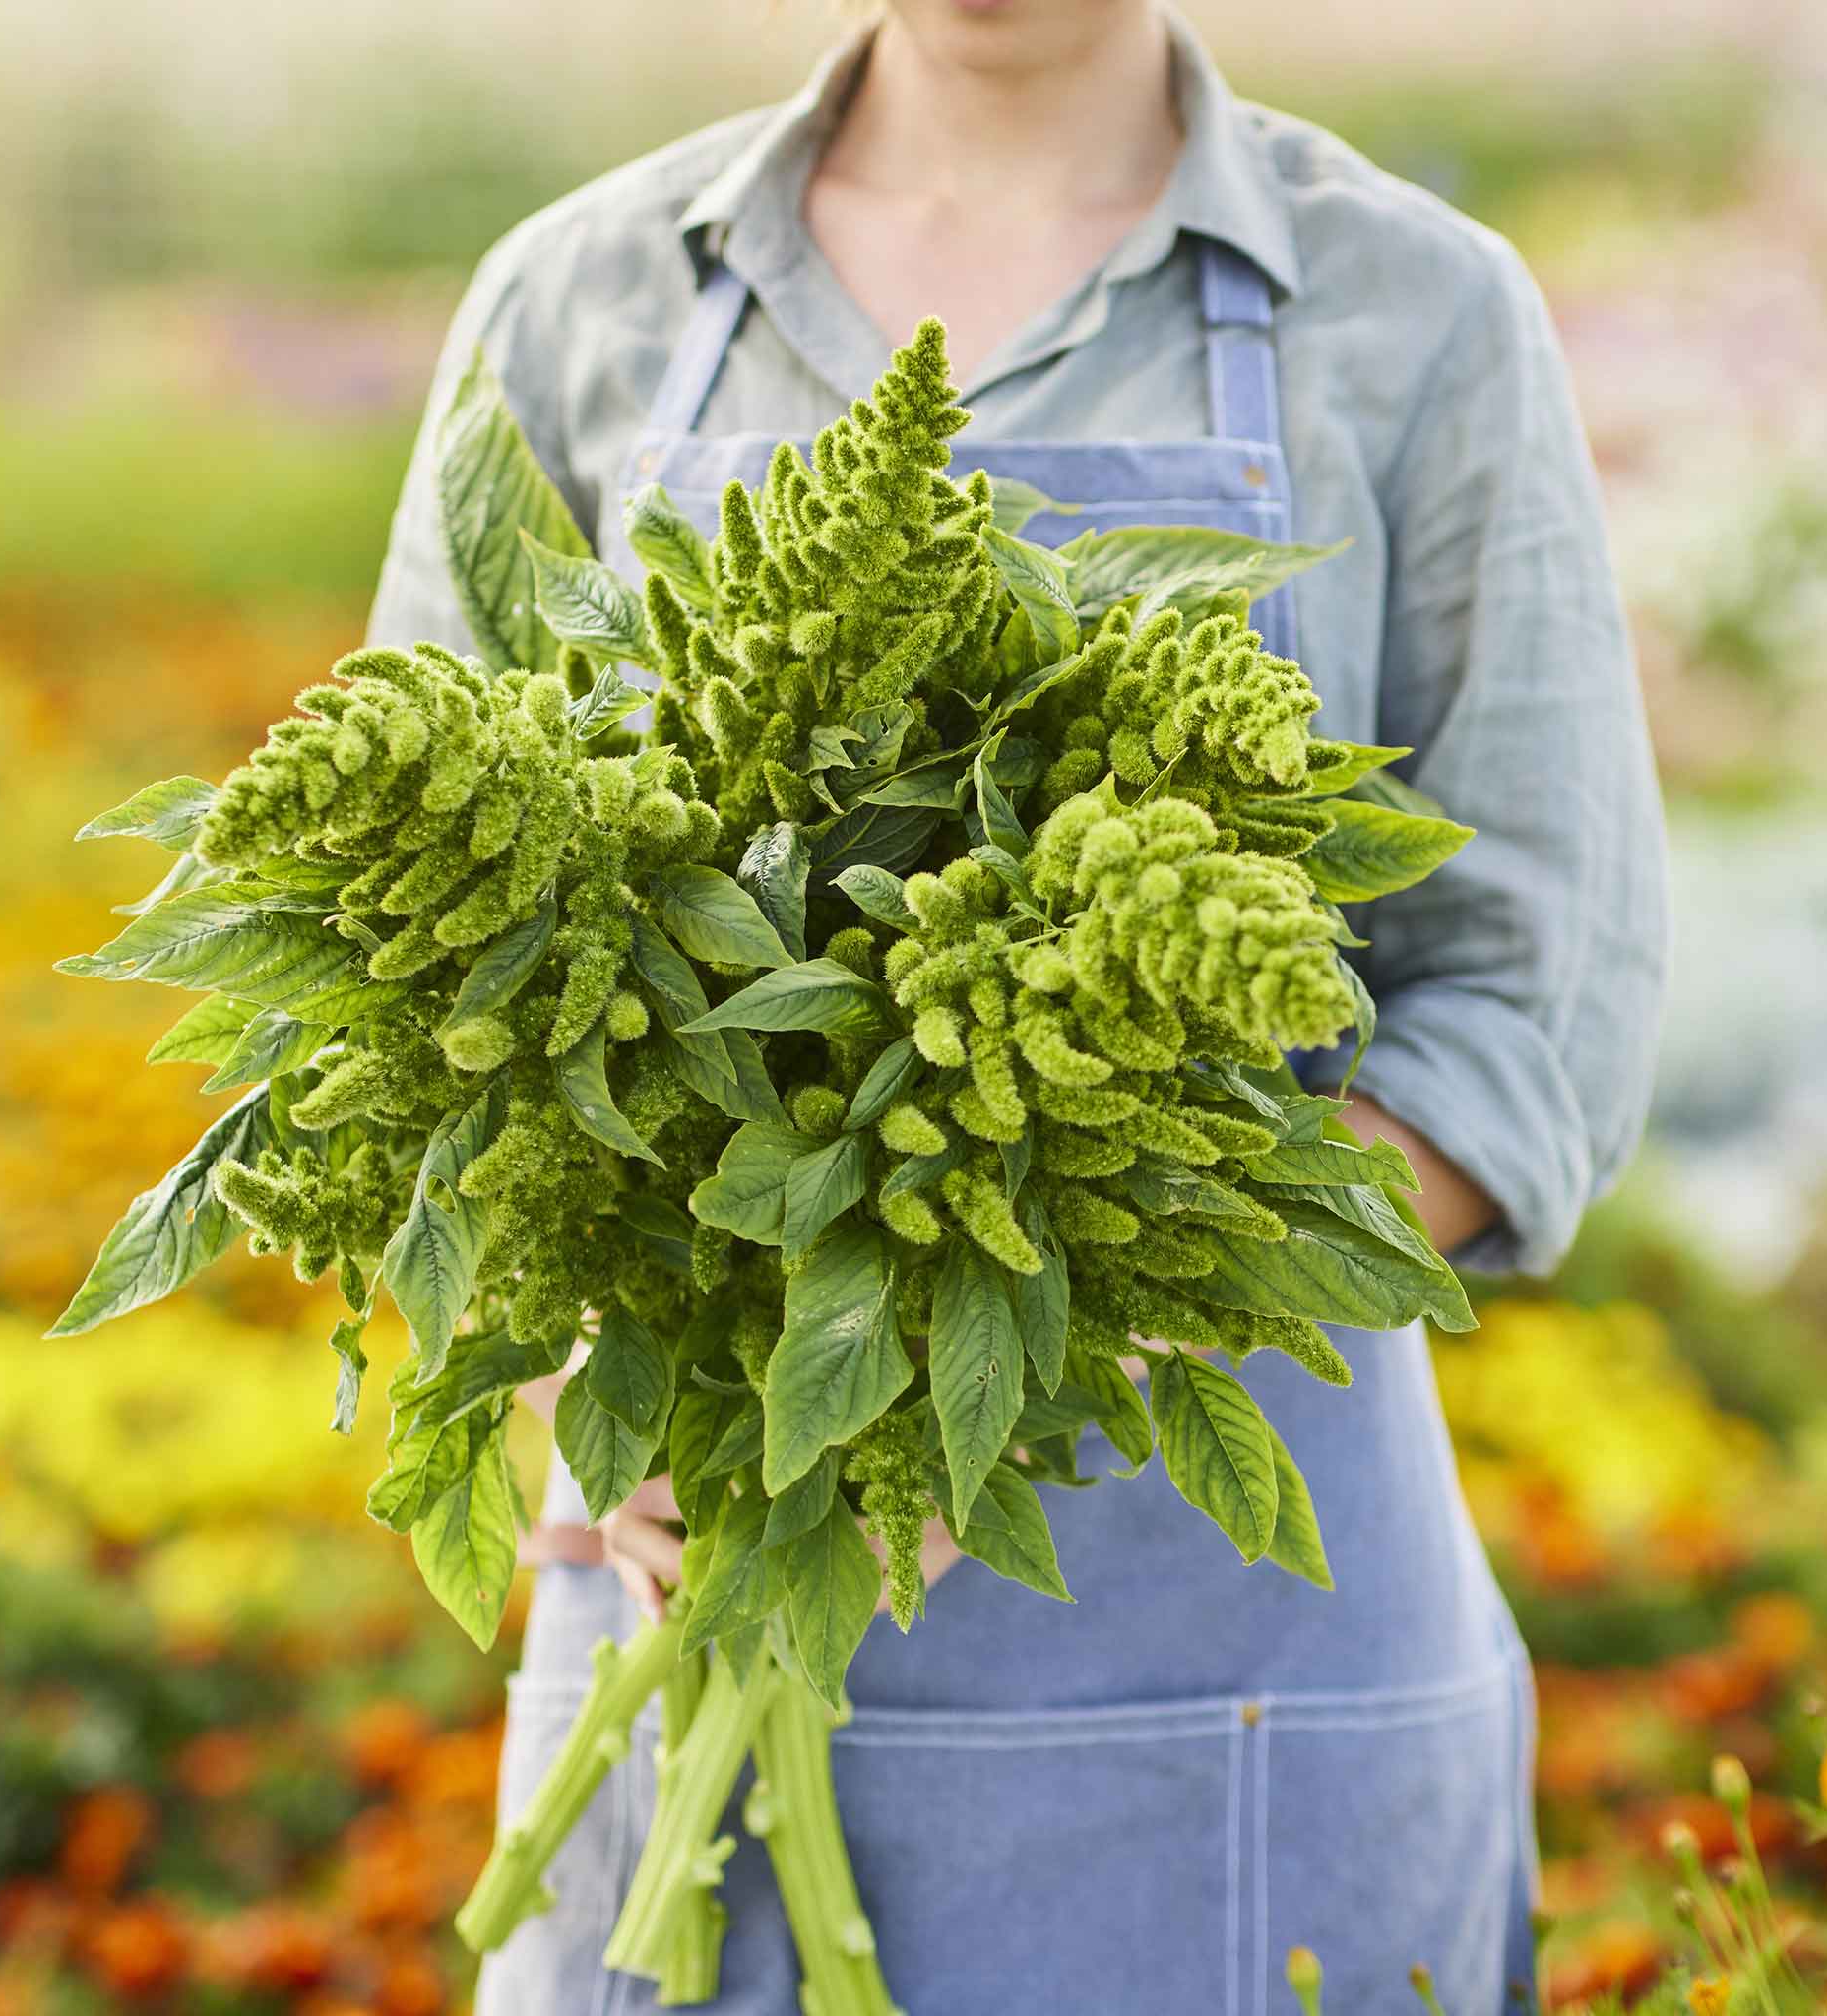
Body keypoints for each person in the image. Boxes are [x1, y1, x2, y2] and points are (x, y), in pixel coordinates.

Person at [362, 2, 1670, 2009]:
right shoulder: (583, 296)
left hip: (1231, 1663)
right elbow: (411, 981)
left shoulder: (1415, 311)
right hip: (681, 1585)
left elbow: (1528, 1012)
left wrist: (1027, 1357)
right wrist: (588, 1384)